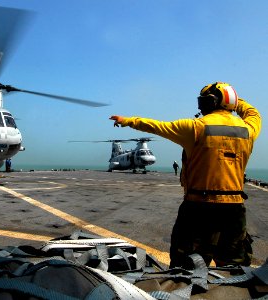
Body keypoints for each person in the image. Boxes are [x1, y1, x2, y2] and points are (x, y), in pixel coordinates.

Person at [110, 82, 261, 268]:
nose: (201, 105)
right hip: (235, 209)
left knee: (187, 266)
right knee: (236, 266)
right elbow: (253, 113)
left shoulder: (195, 127)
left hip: (199, 208)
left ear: (212, 102)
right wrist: (235, 103)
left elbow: (157, 126)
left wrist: (127, 120)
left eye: (204, 101)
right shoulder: (249, 129)